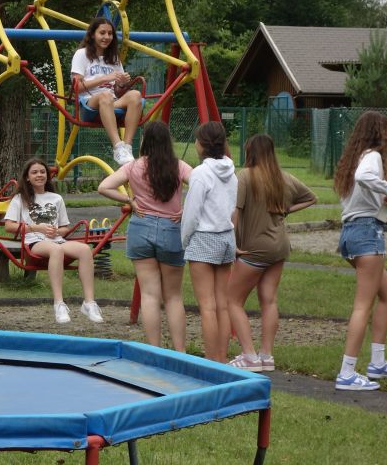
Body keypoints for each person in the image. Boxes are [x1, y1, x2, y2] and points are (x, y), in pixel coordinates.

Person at [225, 135, 317, 372]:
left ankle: (249, 356)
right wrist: (286, 210)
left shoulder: (245, 176)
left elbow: (236, 212)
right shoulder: (283, 178)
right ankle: (267, 356)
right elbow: (311, 198)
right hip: (279, 246)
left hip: (254, 248)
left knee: (232, 300)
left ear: (250, 152)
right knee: (269, 300)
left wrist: (232, 243)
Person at [98, 121, 191, 351]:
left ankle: (155, 351)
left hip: (141, 229)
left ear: (145, 141)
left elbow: (104, 187)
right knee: (173, 297)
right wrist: (187, 210)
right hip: (171, 229)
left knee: (149, 295)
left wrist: (129, 200)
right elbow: (202, 184)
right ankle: (181, 353)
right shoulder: (178, 166)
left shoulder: (133, 167)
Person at [332, 111, 387, 391]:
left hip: (352, 234)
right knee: (363, 305)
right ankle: (347, 373)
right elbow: (366, 178)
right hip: (367, 236)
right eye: (386, 130)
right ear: (376, 131)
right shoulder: (371, 157)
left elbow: (359, 199)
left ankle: (378, 362)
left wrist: (383, 211)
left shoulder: (355, 159)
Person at [4, 158, 104, 324]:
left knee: (85, 250)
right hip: (34, 243)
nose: (39, 175)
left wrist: (57, 231)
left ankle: (89, 302)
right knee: (56, 250)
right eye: (34, 172)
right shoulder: (20, 199)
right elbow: (9, 226)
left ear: (47, 176)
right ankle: (59, 303)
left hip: (57, 240)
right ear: (27, 177)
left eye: (42, 172)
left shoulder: (56, 198)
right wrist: (37, 228)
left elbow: (64, 227)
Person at [181, 121, 237, 362]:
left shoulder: (200, 174)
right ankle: (222, 360)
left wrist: (185, 241)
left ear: (201, 145)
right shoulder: (232, 172)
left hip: (204, 238)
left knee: (207, 306)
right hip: (227, 237)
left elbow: (192, 213)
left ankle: (212, 361)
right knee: (222, 305)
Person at [71, 16, 143, 166]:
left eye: (110, 33)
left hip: (111, 100)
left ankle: (126, 148)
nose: (106, 37)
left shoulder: (114, 58)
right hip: (89, 103)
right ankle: (117, 146)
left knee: (135, 95)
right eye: (102, 33)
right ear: (92, 34)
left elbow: (117, 92)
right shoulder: (82, 54)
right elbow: (77, 86)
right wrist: (105, 78)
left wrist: (122, 84)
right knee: (104, 95)